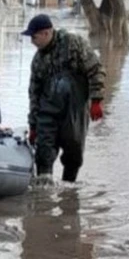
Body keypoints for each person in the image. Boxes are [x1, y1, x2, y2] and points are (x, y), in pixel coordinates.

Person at [24, 13, 105, 183]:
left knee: (74, 154)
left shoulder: (73, 43)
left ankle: (69, 194)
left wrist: (96, 100)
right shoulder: (37, 61)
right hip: (47, 111)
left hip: (74, 109)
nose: (31, 41)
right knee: (44, 152)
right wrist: (33, 125)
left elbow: (95, 69)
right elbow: (34, 95)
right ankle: (43, 198)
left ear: (46, 33)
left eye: (34, 36)